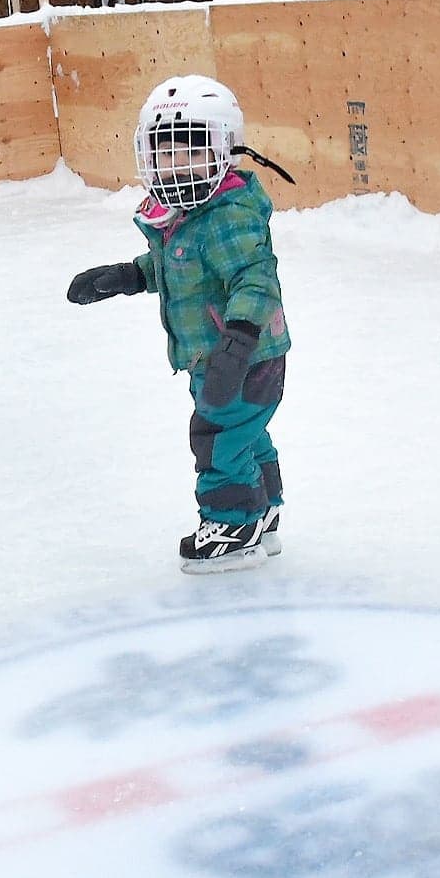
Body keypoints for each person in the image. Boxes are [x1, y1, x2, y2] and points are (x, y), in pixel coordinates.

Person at [67, 76, 293, 574]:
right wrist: (127, 276)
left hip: (246, 357)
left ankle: (233, 526)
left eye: (190, 152)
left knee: (217, 437)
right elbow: (179, 267)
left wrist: (237, 343)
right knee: (245, 435)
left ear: (224, 151)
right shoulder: (184, 215)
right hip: (213, 356)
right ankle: (264, 512)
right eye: (164, 155)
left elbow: (255, 281)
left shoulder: (227, 214)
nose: (175, 166)